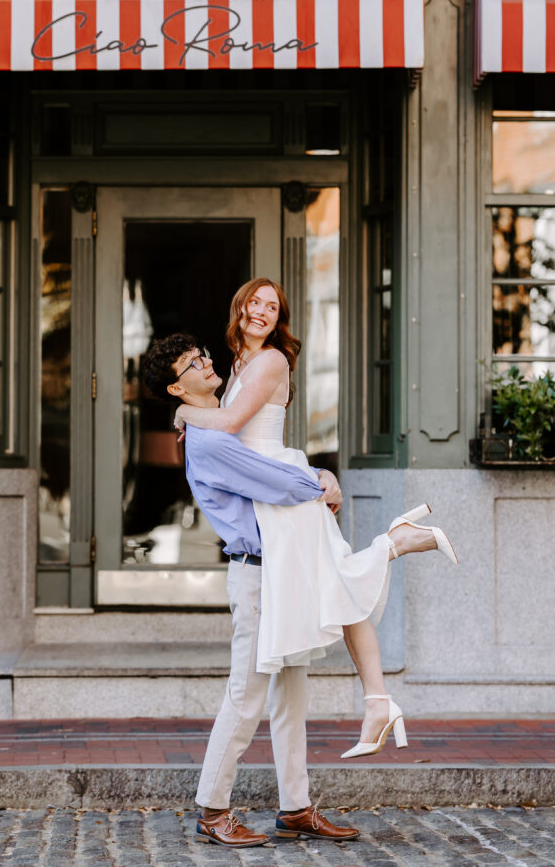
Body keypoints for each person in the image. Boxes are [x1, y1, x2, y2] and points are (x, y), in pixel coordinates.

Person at [172, 278, 458, 766]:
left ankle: (395, 544)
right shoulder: (237, 363)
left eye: (272, 306)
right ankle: (378, 702)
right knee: (339, 590)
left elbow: (231, 424)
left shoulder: (271, 361)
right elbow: (227, 433)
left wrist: (181, 413)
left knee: (341, 588)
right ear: (239, 307)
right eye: (255, 302)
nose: (262, 311)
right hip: (273, 492)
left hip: (284, 491)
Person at [143, 332, 361, 848]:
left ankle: (296, 808)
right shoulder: (212, 440)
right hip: (256, 574)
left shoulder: (216, 426)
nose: (204, 363)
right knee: (246, 697)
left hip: (279, 568)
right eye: (192, 365)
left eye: (202, 355)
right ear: (177, 387)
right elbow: (276, 480)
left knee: (292, 695)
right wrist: (322, 481)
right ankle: (212, 810)